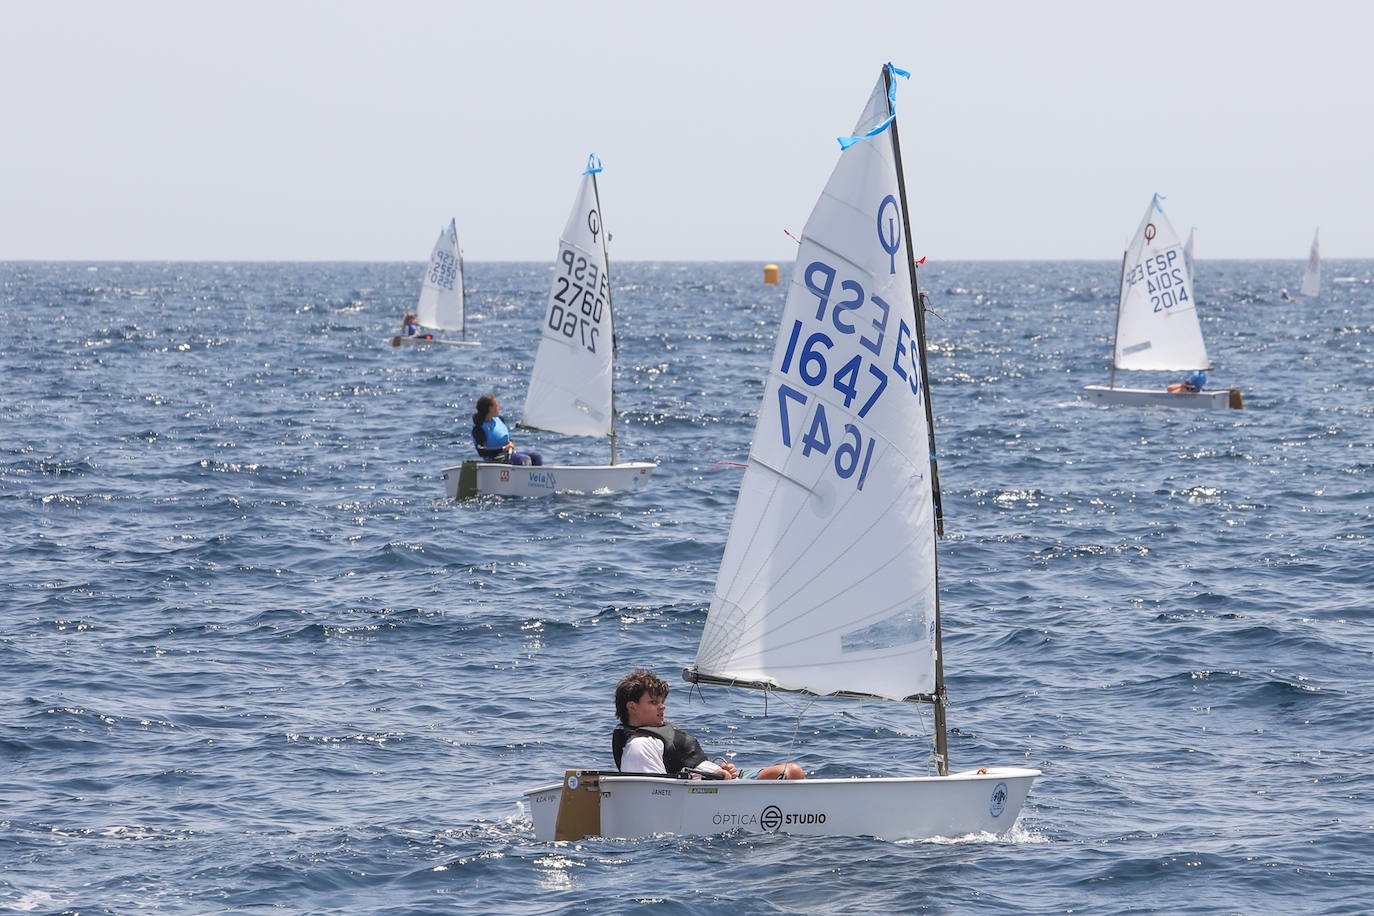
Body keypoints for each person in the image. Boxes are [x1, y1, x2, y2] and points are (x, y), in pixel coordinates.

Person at [613, 668, 805, 781]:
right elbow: (657, 794)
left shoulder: (659, 733)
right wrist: (710, 778)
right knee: (792, 773)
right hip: (711, 795)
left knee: (792, 772)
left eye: (662, 702)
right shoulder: (639, 746)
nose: (662, 707)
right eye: (653, 703)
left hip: (724, 784)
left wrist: (722, 770)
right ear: (632, 707)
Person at [471, 393, 543, 466]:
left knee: (536, 456)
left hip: (508, 455)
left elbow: (505, 438)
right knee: (524, 460)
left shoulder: (500, 419)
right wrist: (503, 448)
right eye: (496, 406)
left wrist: (511, 442)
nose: (499, 408)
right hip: (494, 460)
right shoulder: (479, 428)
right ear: (490, 408)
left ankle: (536, 477)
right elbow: (481, 451)